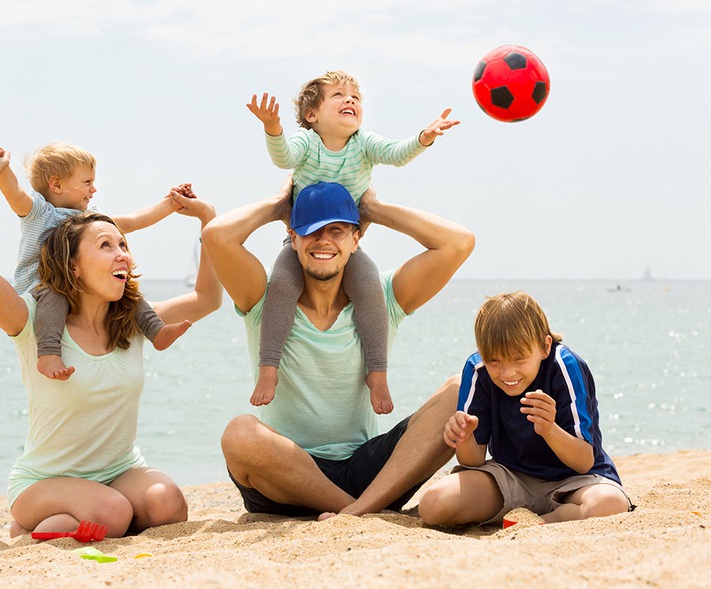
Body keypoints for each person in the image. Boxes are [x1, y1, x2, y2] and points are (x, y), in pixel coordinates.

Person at [0, 145, 222, 538]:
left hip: (118, 472)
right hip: (42, 482)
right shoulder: (32, 320)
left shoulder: (131, 320)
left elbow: (207, 299)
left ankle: (59, 525)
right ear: (74, 267)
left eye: (123, 246)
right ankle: (42, 518)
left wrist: (208, 221)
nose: (124, 257)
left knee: (167, 503)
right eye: (105, 246)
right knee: (111, 512)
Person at [201, 178, 475, 519]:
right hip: (286, 478)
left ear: (356, 238)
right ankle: (356, 512)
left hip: (367, 474)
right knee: (240, 435)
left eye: (337, 231)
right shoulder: (263, 298)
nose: (324, 241)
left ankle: (356, 509)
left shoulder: (384, 296)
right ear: (293, 237)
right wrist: (277, 205)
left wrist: (374, 209)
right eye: (312, 231)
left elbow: (459, 242)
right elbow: (216, 236)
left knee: (462, 387)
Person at [247, 71, 460, 414]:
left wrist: (424, 137)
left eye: (356, 98)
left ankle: (377, 373)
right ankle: (269, 369)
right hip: (303, 242)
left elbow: (396, 154)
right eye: (339, 95)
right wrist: (273, 127)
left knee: (370, 288)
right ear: (312, 115)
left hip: (347, 244)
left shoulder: (364, 143)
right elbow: (283, 157)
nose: (350, 100)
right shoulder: (308, 143)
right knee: (283, 286)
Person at [0, 140, 190, 381]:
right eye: (87, 182)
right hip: (40, 287)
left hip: (76, 284)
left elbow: (132, 220)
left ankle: (156, 330)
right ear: (56, 184)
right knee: (53, 293)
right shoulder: (38, 212)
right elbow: (14, 192)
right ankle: (48, 353)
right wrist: (1, 168)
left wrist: (170, 204)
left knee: (124, 286)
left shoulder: (88, 219)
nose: (94, 189)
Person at [418, 292, 632, 527]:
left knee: (610, 504)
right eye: (495, 360)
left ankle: (542, 520)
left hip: (576, 481)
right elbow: (474, 460)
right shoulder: (478, 369)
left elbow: (583, 462)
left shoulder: (565, 366)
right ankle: (531, 516)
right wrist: (464, 437)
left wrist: (550, 429)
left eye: (519, 359)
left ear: (544, 346)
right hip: (511, 477)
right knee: (433, 504)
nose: (507, 373)